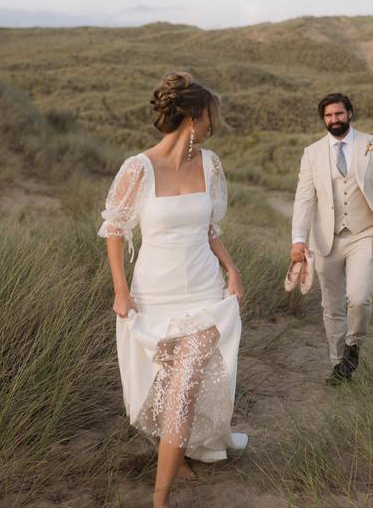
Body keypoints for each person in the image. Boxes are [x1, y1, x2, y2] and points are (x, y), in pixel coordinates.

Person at [99, 72, 247, 508]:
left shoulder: (210, 164)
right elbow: (114, 229)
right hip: (154, 293)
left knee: (183, 390)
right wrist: (120, 291)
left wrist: (232, 270)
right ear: (194, 116)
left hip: (203, 292)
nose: (213, 124)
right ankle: (175, 453)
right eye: (210, 115)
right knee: (166, 383)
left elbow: (210, 228)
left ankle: (159, 499)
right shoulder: (138, 168)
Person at [290, 93, 373, 384]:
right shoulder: (312, 152)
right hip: (325, 239)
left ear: (349, 114)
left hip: (363, 233)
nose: (334, 120)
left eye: (339, 114)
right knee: (332, 306)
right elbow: (304, 199)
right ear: (323, 119)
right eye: (328, 116)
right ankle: (338, 365)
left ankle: (353, 344)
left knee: (359, 298)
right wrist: (298, 240)